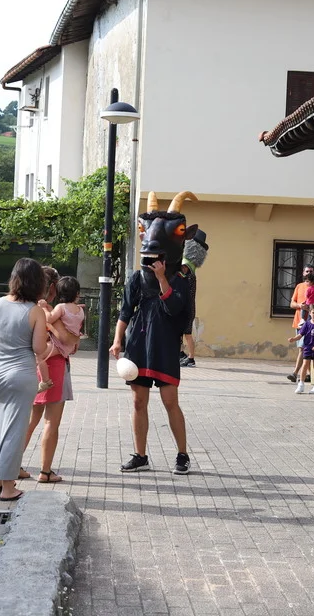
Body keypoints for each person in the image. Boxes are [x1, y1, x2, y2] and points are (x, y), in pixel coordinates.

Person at [111, 190, 195, 476]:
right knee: (138, 401)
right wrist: (117, 340)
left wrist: (161, 278)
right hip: (138, 344)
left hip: (165, 346)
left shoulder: (181, 278)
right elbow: (125, 311)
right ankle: (140, 455)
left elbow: (174, 308)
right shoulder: (136, 278)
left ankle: (182, 454)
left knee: (170, 402)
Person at [0, 258, 48, 502]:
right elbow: (39, 348)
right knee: (15, 431)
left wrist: (4, 340)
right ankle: (8, 488)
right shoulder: (35, 311)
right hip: (21, 376)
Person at [25, 275, 83, 483]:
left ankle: (13, 465)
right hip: (56, 365)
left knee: (30, 421)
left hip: (36, 366)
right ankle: (45, 471)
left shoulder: (30, 308)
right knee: (51, 422)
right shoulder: (74, 311)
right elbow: (70, 340)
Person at [178, 228, 209, 368]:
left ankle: (191, 358)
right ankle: (181, 354)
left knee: (187, 333)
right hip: (188, 305)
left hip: (186, 306)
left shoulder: (185, 266)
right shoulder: (192, 266)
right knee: (181, 332)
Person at [288, 304, 314, 394]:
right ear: (310, 313)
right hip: (308, 348)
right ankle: (301, 385)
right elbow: (300, 334)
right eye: (313, 313)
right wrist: (293, 339)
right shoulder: (307, 324)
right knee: (305, 364)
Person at [287, 265, 314, 382]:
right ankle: (307, 374)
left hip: (312, 323)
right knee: (303, 348)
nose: (309, 273)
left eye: (311, 271)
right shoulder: (299, 286)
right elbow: (292, 304)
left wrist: (311, 308)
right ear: (303, 273)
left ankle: (295, 373)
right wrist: (300, 305)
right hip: (299, 322)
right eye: (307, 271)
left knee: (304, 348)